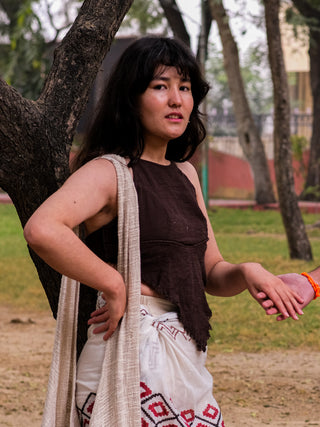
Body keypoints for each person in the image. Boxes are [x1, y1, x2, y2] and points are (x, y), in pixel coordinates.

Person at [23, 36, 304, 426]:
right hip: (129, 357)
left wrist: (247, 271)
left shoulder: (186, 174)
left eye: (184, 88)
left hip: (184, 358)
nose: (177, 100)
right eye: (160, 86)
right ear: (131, 99)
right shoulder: (109, 172)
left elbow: (208, 272)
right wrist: (114, 284)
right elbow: (43, 229)